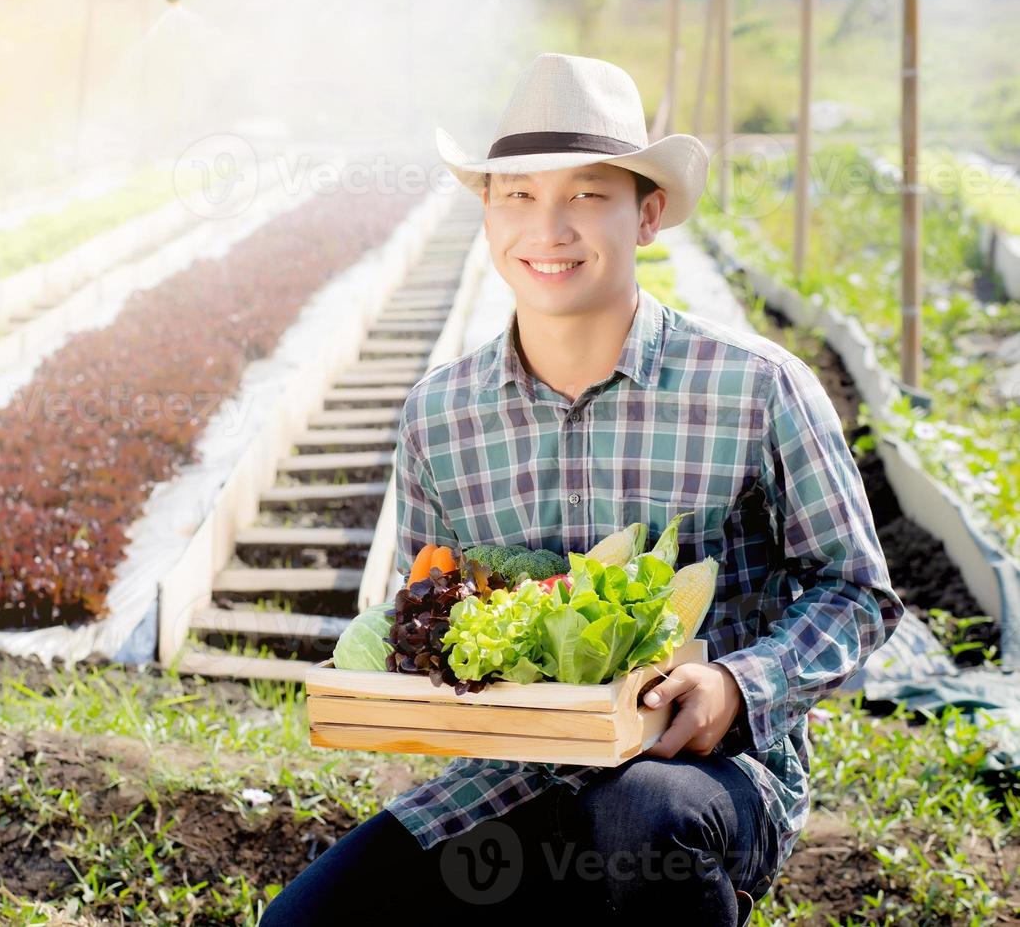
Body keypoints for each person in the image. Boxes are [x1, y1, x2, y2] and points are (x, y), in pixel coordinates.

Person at [261, 53, 905, 926]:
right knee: (304, 923)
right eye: (518, 196)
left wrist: (740, 686)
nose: (549, 228)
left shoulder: (755, 387)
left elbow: (858, 591)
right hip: (506, 780)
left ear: (646, 216)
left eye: (586, 196)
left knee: (641, 817)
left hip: (695, 779)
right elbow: (430, 610)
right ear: (488, 215)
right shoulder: (440, 415)